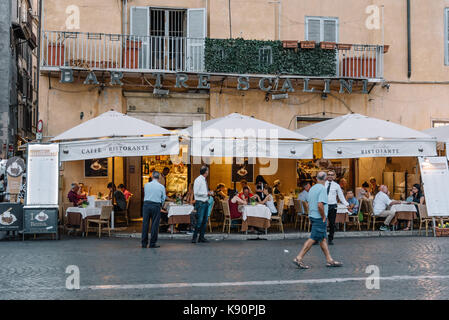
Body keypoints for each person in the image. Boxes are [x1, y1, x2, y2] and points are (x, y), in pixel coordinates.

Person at [293, 171, 343, 269]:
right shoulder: (322, 189)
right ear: (325, 179)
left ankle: (329, 259)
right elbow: (320, 205)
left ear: (316, 178)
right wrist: (324, 216)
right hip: (319, 217)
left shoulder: (312, 189)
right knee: (313, 238)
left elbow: (309, 203)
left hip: (313, 215)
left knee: (323, 239)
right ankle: (299, 258)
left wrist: (310, 216)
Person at [141, 171, 166, 248]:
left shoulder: (146, 185)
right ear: (159, 178)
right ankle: (152, 243)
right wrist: (161, 205)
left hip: (146, 205)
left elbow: (145, 194)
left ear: (152, 177)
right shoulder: (162, 187)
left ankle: (144, 243)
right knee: (155, 224)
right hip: (156, 205)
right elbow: (163, 198)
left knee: (145, 224)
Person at [325, 170, 349, 245]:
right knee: (321, 223)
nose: (330, 176)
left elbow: (341, 196)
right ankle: (317, 238)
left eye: (331, 175)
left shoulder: (336, 186)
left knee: (332, 223)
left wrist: (346, 204)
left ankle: (330, 239)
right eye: (328, 174)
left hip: (332, 206)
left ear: (334, 176)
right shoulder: (322, 184)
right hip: (324, 205)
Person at [192, 166, 214, 243]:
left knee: (204, 221)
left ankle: (201, 237)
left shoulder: (203, 180)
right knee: (199, 221)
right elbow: (196, 192)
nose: (208, 172)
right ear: (206, 172)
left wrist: (208, 193)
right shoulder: (198, 180)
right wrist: (207, 193)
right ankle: (194, 238)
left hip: (205, 202)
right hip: (200, 203)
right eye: (208, 171)